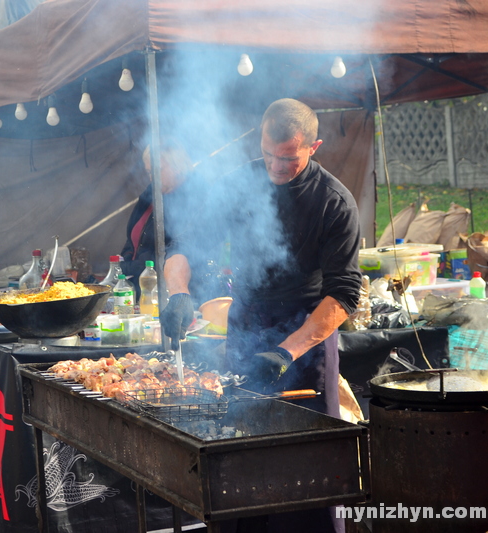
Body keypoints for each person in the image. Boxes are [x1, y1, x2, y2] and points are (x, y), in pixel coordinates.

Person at [160, 99, 361, 533]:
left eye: (288, 158)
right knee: (241, 461)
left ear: (314, 147)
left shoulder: (333, 203)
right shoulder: (238, 184)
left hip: (305, 339)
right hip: (247, 327)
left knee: (311, 467)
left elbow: (344, 296)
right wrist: (178, 293)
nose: (276, 165)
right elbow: (184, 247)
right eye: (269, 154)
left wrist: (286, 352)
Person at [119, 141, 191, 297]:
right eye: (149, 172)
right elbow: (132, 239)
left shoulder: (192, 200)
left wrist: (131, 268)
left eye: (158, 170)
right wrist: (122, 265)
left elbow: (174, 250)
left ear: (178, 166)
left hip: (168, 293)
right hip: (139, 288)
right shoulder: (150, 195)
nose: (152, 178)